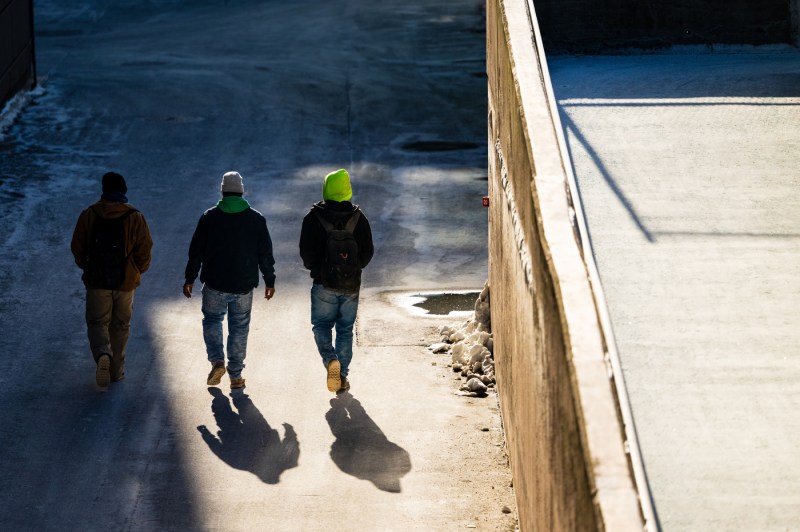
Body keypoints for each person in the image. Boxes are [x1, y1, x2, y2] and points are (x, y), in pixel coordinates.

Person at [183, 171, 275, 390]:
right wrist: (269, 280)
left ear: (222, 191)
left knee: (212, 320)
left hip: (215, 283)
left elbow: (196, 252)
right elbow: (265, 254)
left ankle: (217, 361)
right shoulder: (256, 219)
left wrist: (190, 278)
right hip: (243, 285)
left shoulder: (209, 217)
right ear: (242, 191)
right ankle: (236, 376)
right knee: (239, 328)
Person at [71, 171, 153, 390]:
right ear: (123, 190)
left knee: (98, 322)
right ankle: (116, 371)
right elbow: (145, 249)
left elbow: (77, 246)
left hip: (97, 281)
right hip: (125, 282)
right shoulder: (135, 216)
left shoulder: (90, 214)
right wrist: (136, 271)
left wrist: (88, 266)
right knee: (120, 325)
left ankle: (102, 355)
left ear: (104, 190)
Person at [299, 169, 373, 394]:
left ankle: (330, 359)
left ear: (326, 188)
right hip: (351, 285)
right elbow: (368, 252)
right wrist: (353, 269)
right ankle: (342, 375)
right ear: (347, 189)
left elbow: (306, 253)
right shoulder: (359, 218)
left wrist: (318, 270)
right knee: (345, 329)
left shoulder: (313, 217)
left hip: (323, 284)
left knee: (322, 325)